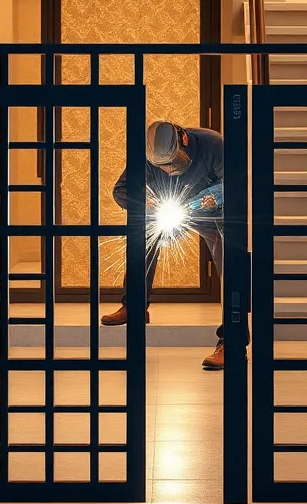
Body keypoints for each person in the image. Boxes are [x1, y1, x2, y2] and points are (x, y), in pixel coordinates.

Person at [101, 120, 241, 371]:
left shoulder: (213, 145)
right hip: (167, 210)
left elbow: (234, 185)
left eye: (170, 164)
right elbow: (121, 190)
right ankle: (134, 305)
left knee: (229, 262)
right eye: (160, 167)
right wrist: (146, 203)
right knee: (141, 239)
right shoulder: (144, 154)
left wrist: (203, 201)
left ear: (184, 140)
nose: (166, 171)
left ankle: (232, 343)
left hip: (211, 214)